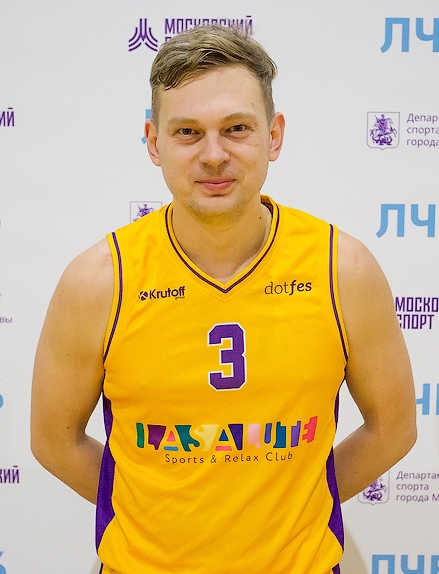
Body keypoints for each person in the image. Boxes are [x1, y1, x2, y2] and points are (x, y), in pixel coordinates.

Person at [31, 24, 416, 574]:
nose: (214, 155)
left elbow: (393, 429)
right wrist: (154, 512)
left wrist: (294, 506)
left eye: (237, 128)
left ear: (274, 135)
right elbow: (54, 440)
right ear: (153, 142)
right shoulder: (99, 281)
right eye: (187, 132)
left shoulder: (342, 269)